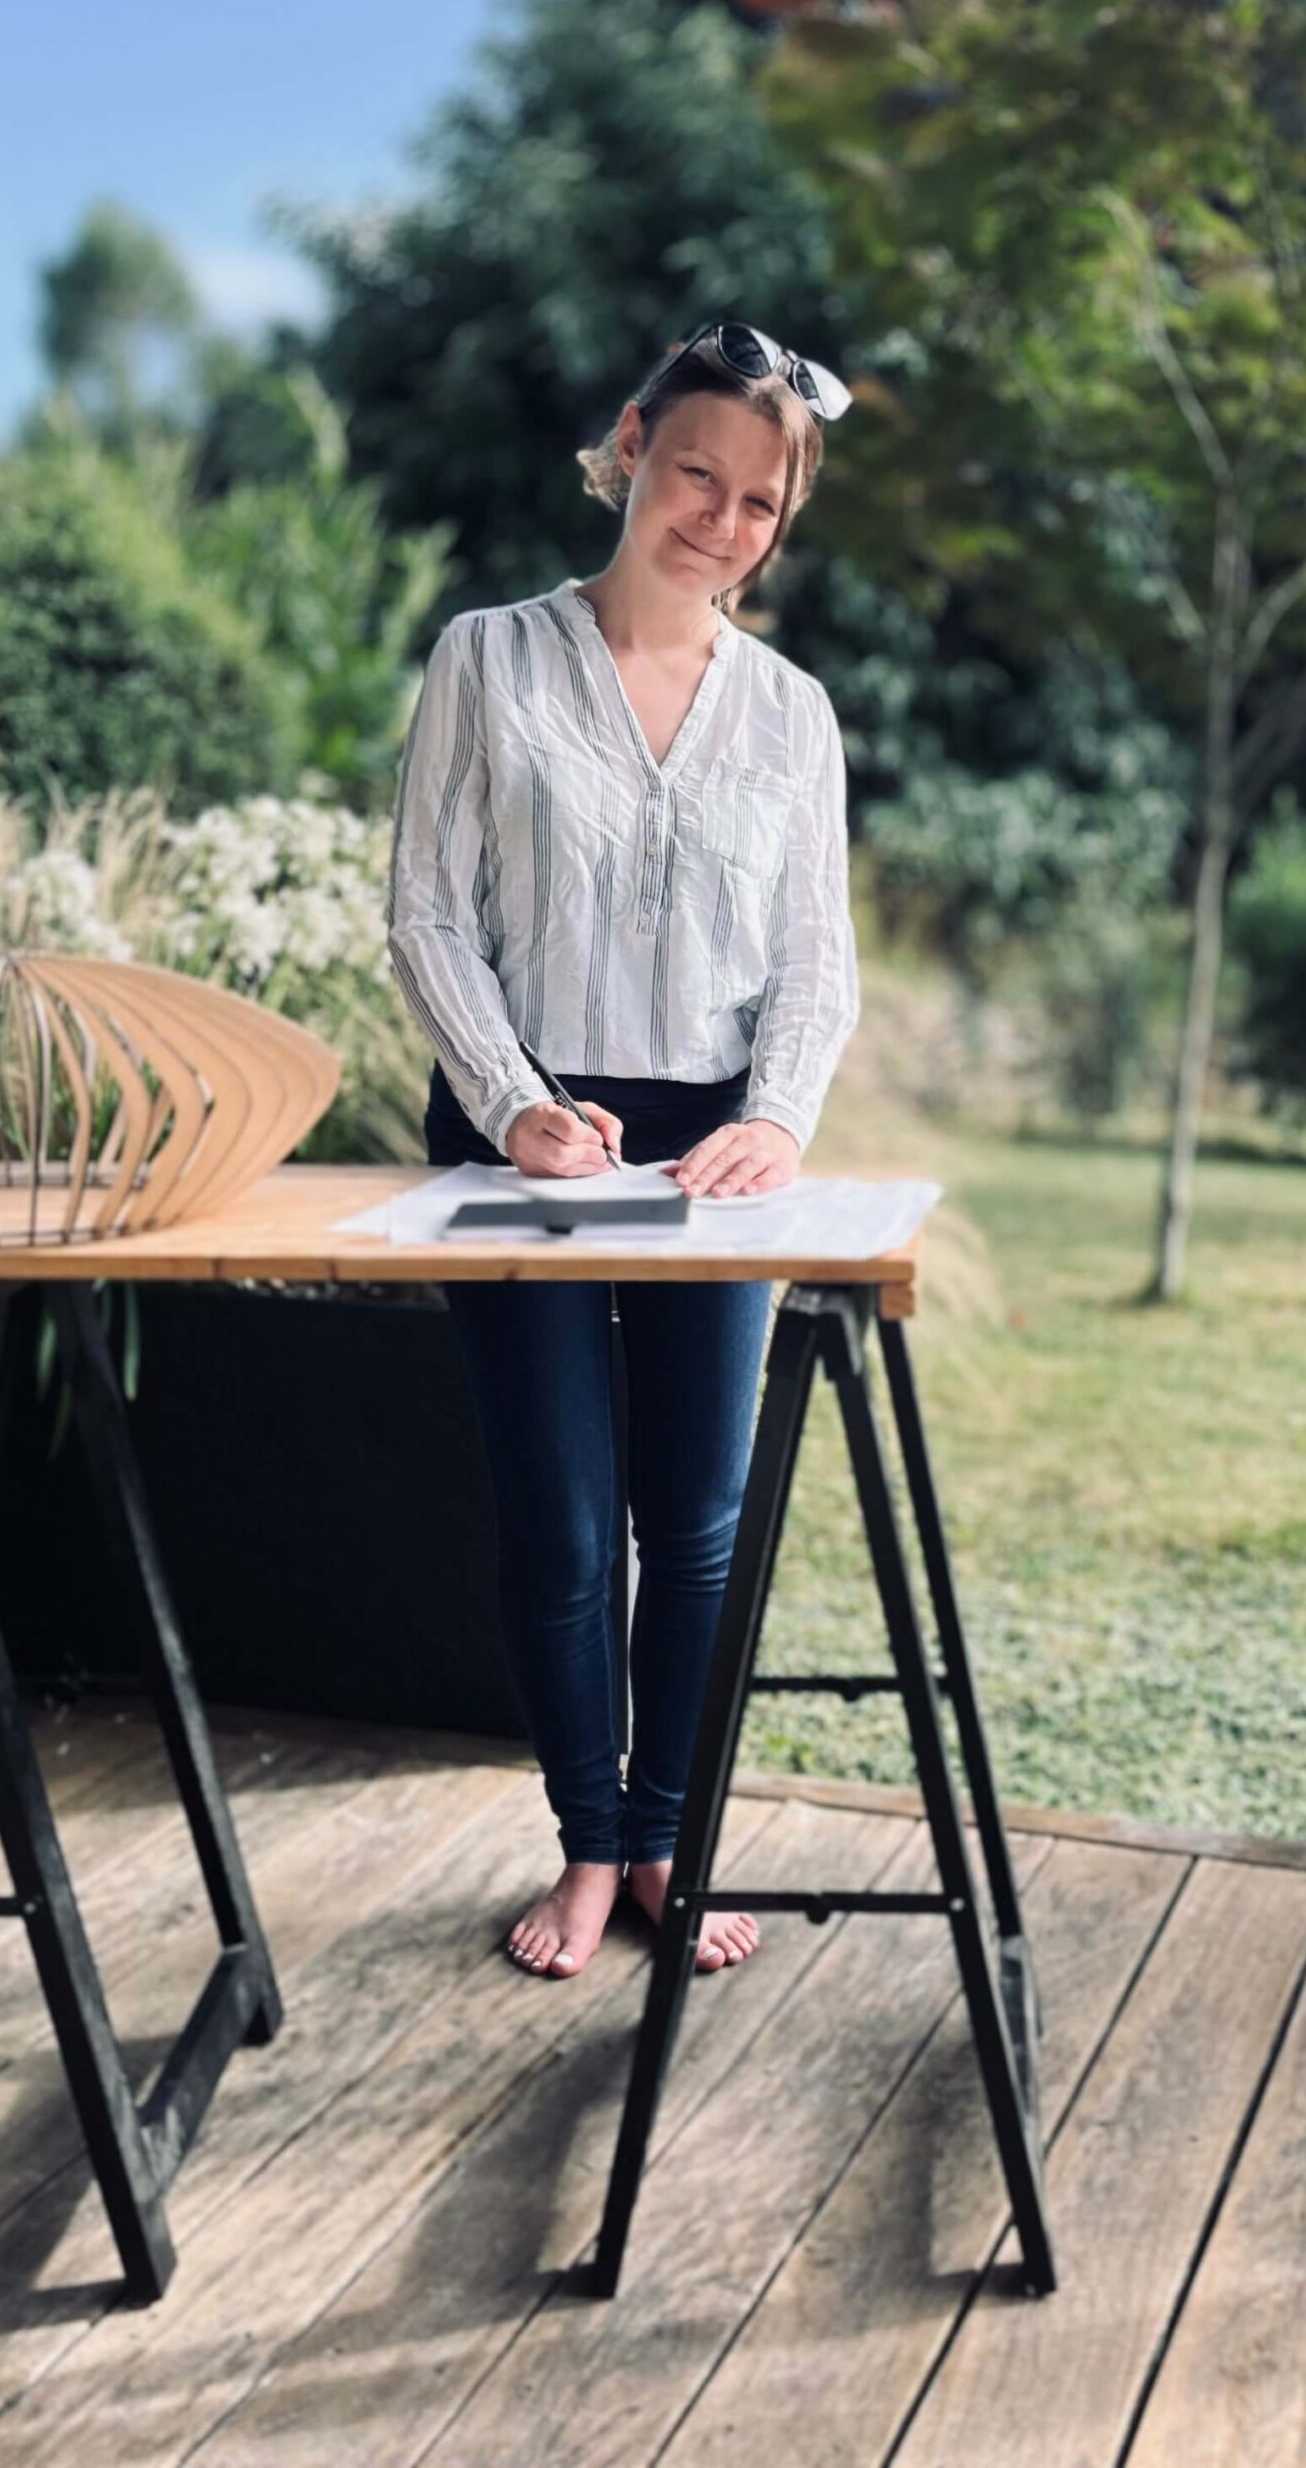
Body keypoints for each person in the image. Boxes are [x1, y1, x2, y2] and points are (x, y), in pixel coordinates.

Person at [385, 323, 860, 1980]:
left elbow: (819, 963)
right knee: (565, 1523)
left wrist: (776, 1120)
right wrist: (513, 1098)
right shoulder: (487, 658)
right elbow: (429, 911)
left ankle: (670, 1836)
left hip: (712, 1150)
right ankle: (588, 1843)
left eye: (755, 506)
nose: (720, 524)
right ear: (632, 448)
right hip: (522, 1134)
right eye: (694, 479)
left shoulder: (794, 716)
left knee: (699, 1518)